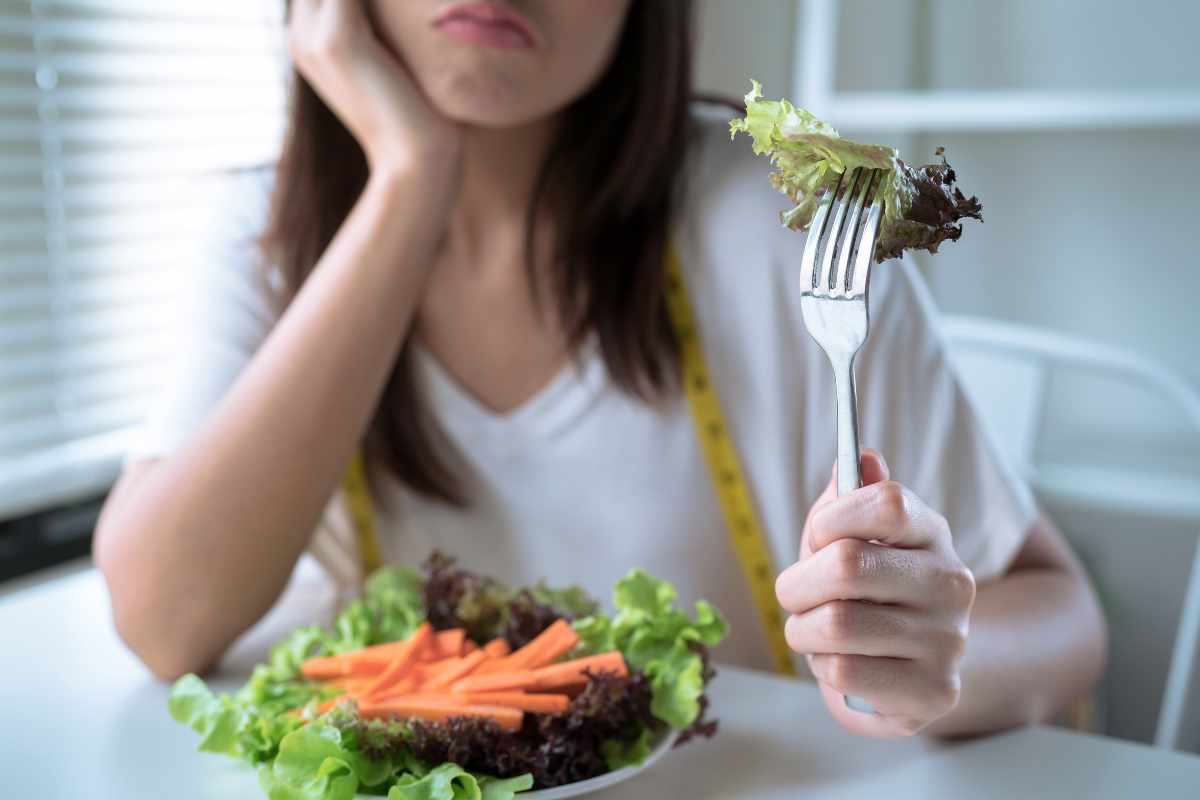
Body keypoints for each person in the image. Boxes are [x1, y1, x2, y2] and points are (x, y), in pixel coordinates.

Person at [93, 0, 1106, 739]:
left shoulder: (782, 225)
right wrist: (410, 179)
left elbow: (1063, 614)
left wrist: (934, 662)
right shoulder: (262, 238)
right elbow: (162, 619)